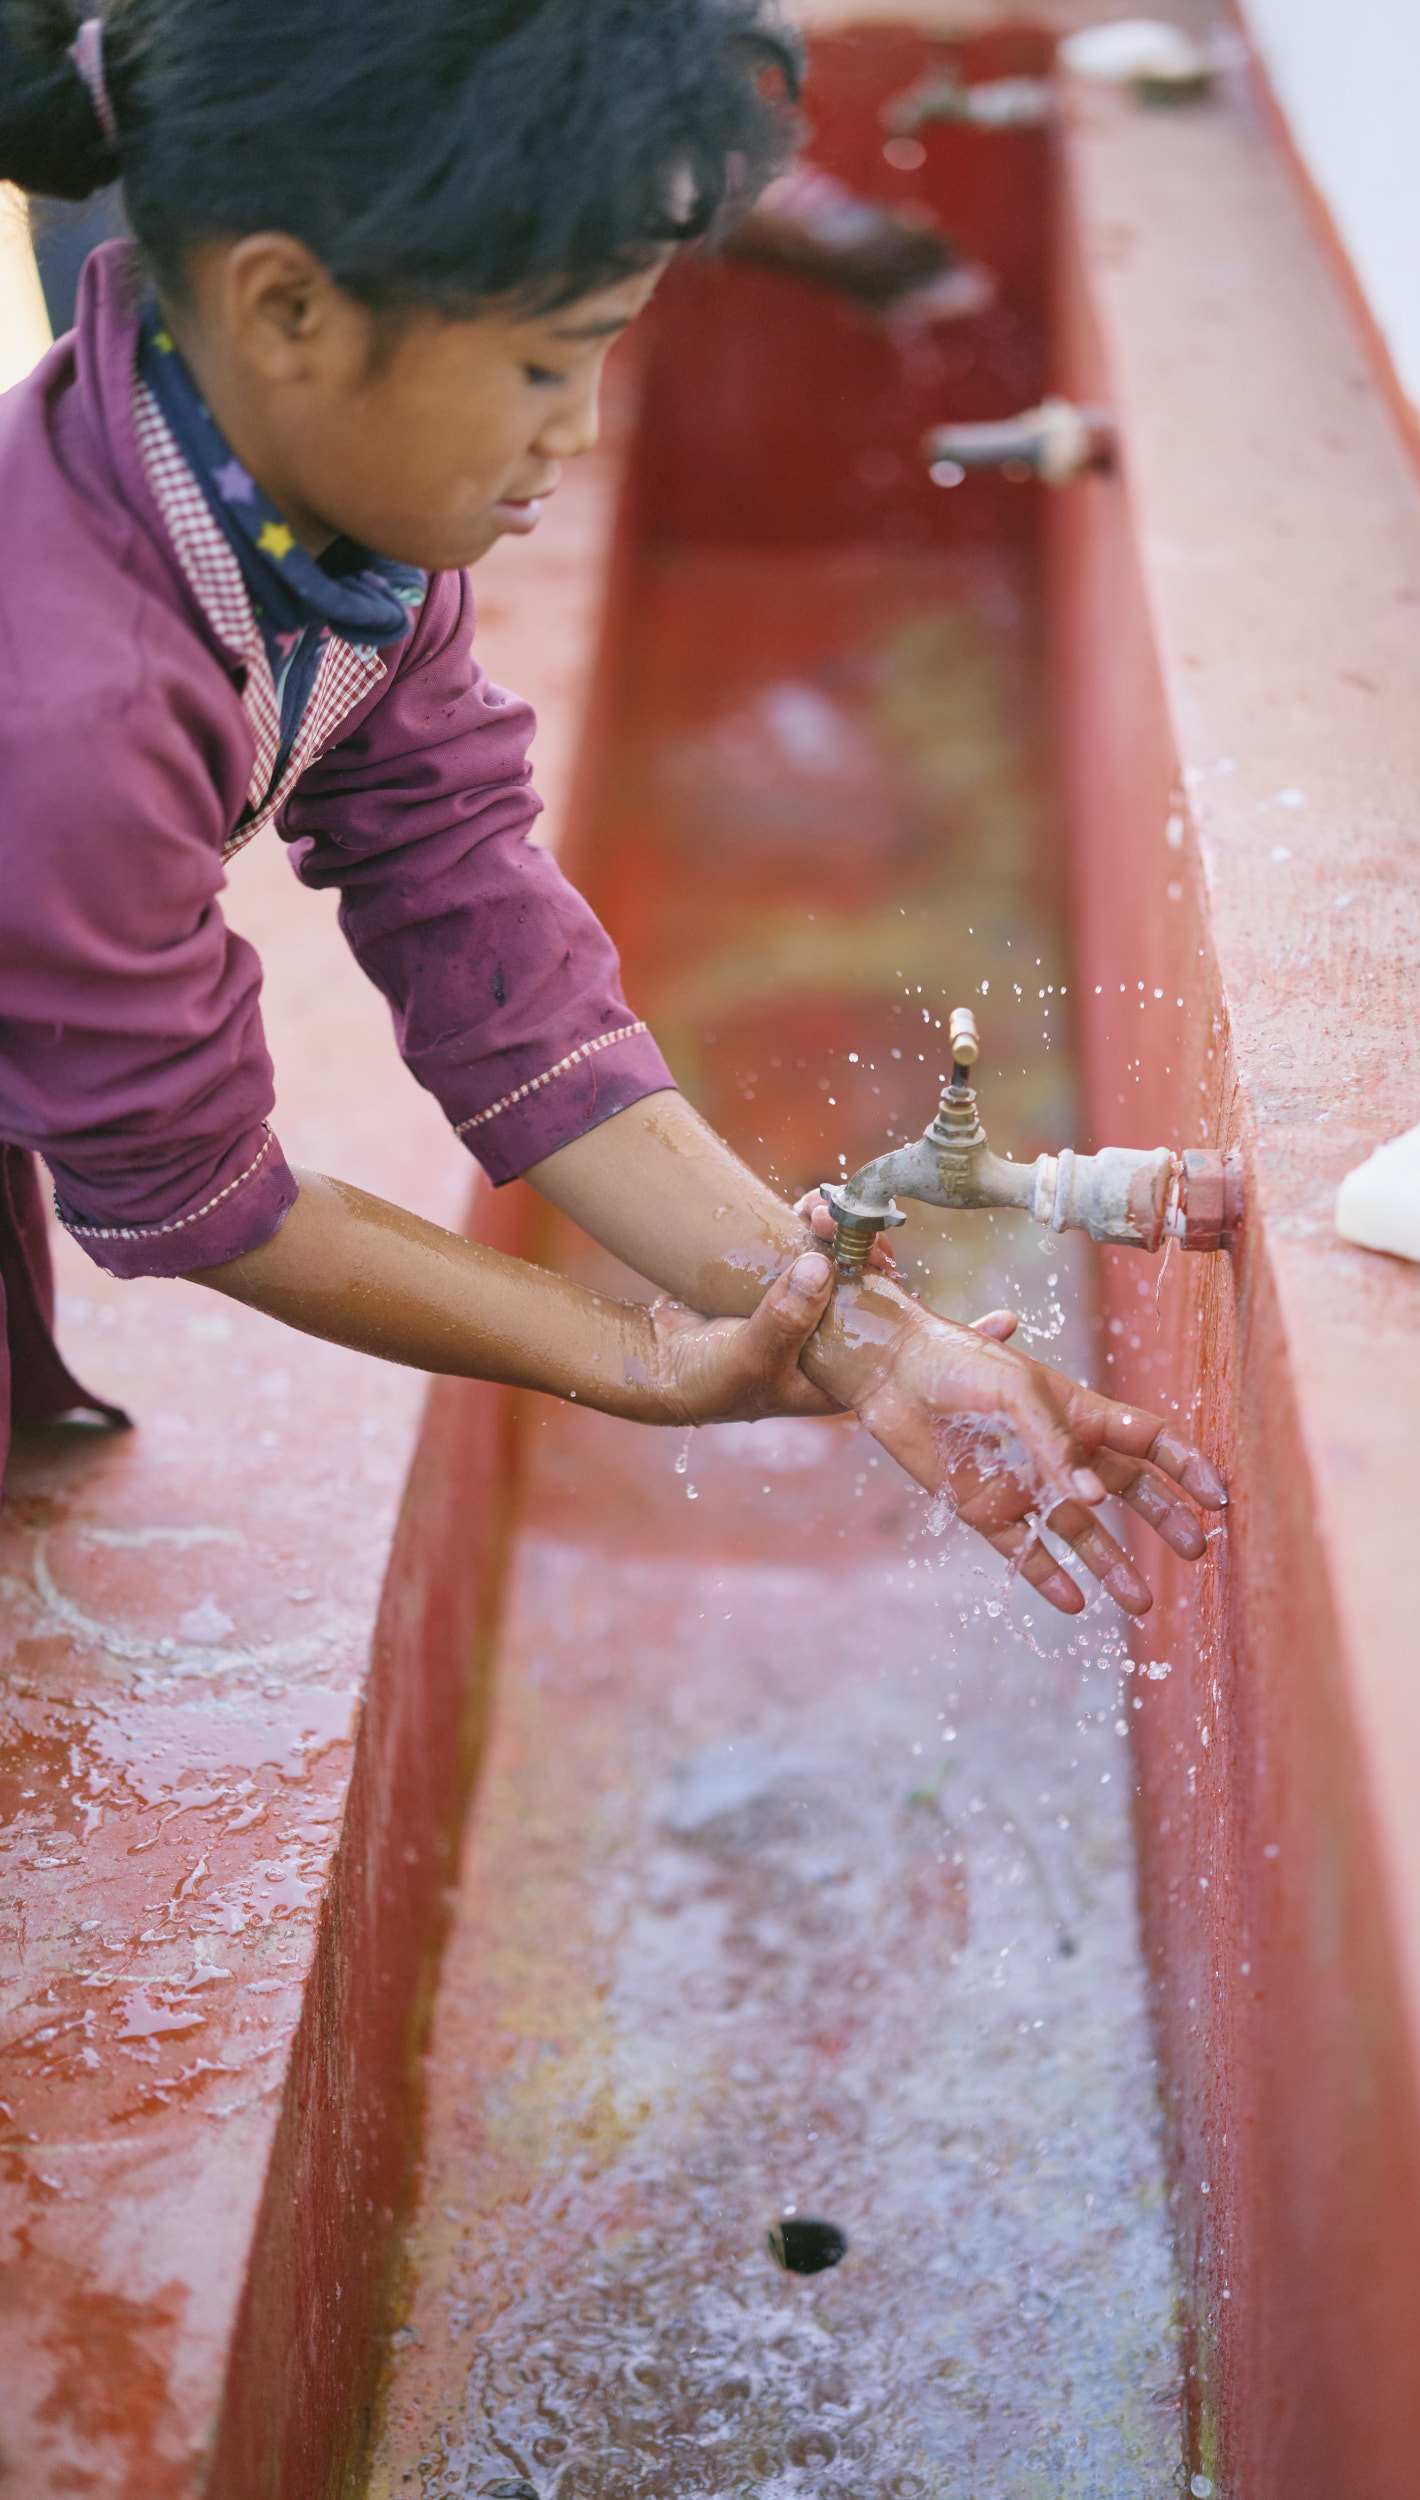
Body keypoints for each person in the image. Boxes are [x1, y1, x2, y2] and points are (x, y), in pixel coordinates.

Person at [0, 0, 1225, 1618]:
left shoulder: (327, 530)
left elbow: (478, 924)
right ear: (287, 304)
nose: (574, 433)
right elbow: (199, 1193)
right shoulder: (73, 712)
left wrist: (873, 1344)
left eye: (602, 352)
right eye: (538, 362)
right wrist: (638, 1365)